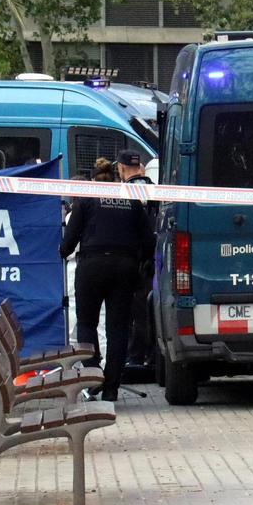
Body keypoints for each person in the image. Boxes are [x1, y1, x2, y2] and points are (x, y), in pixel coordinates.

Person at [60, 157, 155, 400]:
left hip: (91, 265)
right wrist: (142, 263)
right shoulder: (130, 199)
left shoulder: (86, 199)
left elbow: (69, 241)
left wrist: (63, 250)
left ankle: (93, 378)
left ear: (93, 179)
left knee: (86, 324)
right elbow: (147, 238)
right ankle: (111, 388)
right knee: (119, 328)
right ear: (116, 176)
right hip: (124, 266)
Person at [113, 150, 155, 369]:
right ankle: (151, 354)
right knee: (148, 307)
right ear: (140, 167)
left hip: (131, 258)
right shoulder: (153, 189)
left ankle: (137, 356)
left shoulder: (122, 192)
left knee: (134, 311)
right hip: (153, 259)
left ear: (120, 168)